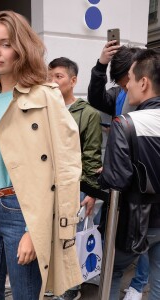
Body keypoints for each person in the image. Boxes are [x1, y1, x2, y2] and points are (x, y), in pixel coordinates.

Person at [0, 10, 83, 300]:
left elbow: (65, 168)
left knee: (26, 294)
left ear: (21, 49)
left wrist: (34, 230)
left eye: (6, 44)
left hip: (21, 211)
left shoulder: (45, 97)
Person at [87, 42, 148, 300]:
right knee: (121, 233)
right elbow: (96, 97)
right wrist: (101, 66)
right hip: (122, 184)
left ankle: (138, 283)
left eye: (126, 80)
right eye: (122, 81)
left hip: (145, 187)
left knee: (146, 237)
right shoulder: (120, 94)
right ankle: (112, 271)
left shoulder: (151, 104)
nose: (125, 86)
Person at [98, 48, 160, 300]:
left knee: (112, 273)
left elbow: (116, 180)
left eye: (129, 81)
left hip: (134, 221)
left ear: (143, 82)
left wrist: (106, 172)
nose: (126, 88)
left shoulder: (125, 124)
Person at [48, 57, 102, 300]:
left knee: (72, 236)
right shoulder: (47, 109)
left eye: (58, 77)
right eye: (50, 77)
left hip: (76, 186)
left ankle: (72, 288)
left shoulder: (88, 113)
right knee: (52, 235)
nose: (52, 81)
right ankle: (56, 281)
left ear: (73, 80)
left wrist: (91, 193)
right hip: (49, 186)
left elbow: (92, 155)